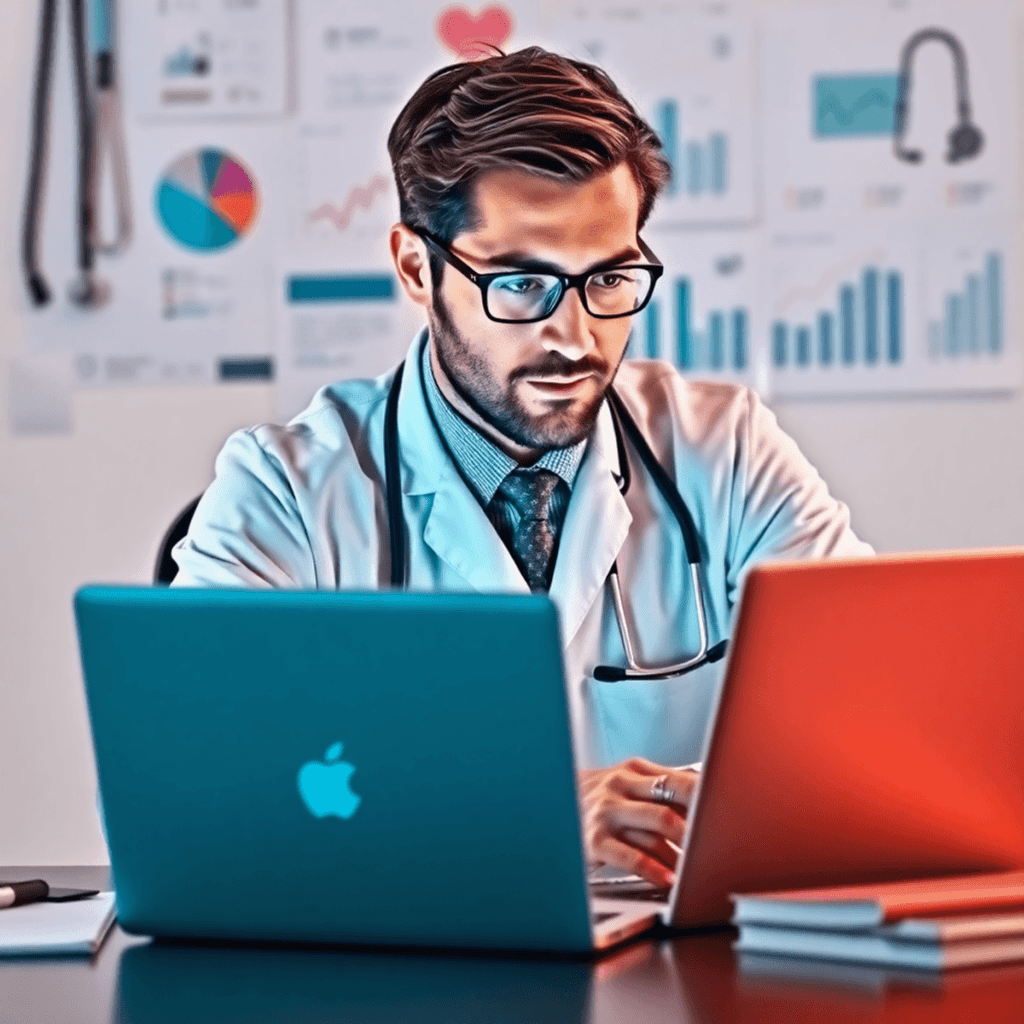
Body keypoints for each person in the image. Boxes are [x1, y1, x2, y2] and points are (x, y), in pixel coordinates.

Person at [172, 47, 873, 887]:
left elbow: (871, 724)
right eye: (520, 282)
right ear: (414, 268)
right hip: (399, 973)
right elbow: (187, 790)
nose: (575, 337)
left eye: (609, 277)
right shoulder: (285, 491)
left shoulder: (726, 454)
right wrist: (524, 809)